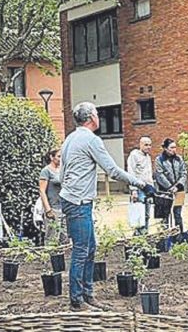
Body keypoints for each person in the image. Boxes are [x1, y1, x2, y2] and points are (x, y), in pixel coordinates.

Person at [59, 102, 152, 311]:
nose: (99, 117)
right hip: (78, 202)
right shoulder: (92, 140)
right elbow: (112, 170)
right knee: (82, 250)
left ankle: (87, 294)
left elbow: (62, 174)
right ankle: (77, 300)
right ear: (91, 117)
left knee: (90, 248)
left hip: (72, 199)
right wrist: (140, 183)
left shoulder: (69, 138)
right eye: (98, 114)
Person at [154, 138, 187, 233]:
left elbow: (184, 173)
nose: (174, 149)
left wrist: (178, 186)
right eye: (171, 147)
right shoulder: (159, 160)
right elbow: (159, 175)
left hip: (179, 190)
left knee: (177, 214)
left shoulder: (179, 159)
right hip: (164, 191)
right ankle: (165, 237)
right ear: (165, 148)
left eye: (175, 147)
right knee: (164, 216)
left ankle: (179, 235)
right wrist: (170, 187)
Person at [127, 136, 155, 235]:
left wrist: (152, 188)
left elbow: (149, 174)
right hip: (138, 189)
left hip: (148, 189)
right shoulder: (134, 155)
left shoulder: (148, 157)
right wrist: (133, 190)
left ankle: (145, 234)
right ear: (140, 145)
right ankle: (138, 237)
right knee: (139, 214)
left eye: (150, 145)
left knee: (147, 214)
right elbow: (131, 173)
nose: (148, 147)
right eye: (146, 145)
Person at [38, 149, 65, 245]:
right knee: (52, 239)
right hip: (53, 208)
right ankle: (51, 260)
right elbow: (42, 191)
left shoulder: (62, 170)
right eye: (58, 156)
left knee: (64, 239)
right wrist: (48, 209)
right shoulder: (46, 171)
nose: (61, 159)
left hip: (64, 208)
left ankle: (62, 260)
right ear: (51, 157)